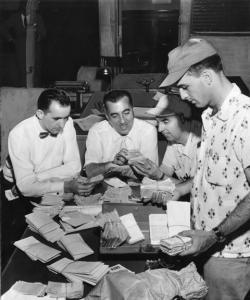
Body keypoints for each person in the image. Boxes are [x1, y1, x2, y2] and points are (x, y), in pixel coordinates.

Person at [159, 38, 250, 300]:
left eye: (185, 87)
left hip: (230, 254)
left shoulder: (244, 119)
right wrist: (182, 188)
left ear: (208, 76)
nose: (184, 96)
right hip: (206, 243)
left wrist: (215, 235)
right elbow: (219, 175)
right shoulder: (210, 116)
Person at [1, 88, 98, 269]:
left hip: (45, 182)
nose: (62, 125)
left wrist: (37, 178)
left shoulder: (66, 123)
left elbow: (74, 166)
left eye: (66, 117)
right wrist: (66, 185)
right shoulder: (19, 134)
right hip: (11, 189)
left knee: (49, 240)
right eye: (56, 119)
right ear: (39, 114)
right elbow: (25, 188)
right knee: (12, 246)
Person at [130, 93, 201, 203]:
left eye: (165, 121)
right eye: (158, 122)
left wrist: (159, 175)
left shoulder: (201, 143)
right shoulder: (174, 140)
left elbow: (195, 187)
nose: (160, 129)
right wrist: (151, 174)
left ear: (182, 118)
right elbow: (166, 170)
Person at [85, 89, 158, 181]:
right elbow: (90, 172)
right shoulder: (96, 131)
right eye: (115, 115)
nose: (122, 121)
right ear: (107, 116)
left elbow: (151, 174)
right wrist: (113, 164)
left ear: (133, 110)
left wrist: (115, 169)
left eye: (126, 113)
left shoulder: (148, 130)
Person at [0, 0, 46, 87]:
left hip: (35, 51)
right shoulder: (14, 17)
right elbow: (2, 28)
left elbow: (43, 34)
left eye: (28, 9)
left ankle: (36, 96)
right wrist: (12, 40)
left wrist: (37, 35)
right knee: (22, 74)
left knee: (36, 74)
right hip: (21, 51)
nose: (26, 11)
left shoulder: (37, 17)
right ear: (20, 8)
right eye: (23, 8)